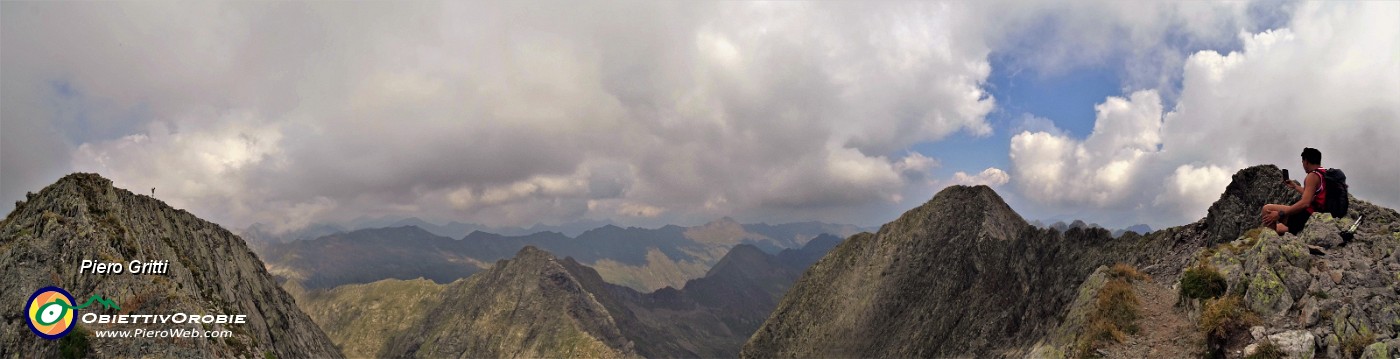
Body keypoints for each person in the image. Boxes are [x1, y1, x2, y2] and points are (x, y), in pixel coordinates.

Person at [1260, 148, 1328, 235]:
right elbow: (1312, 195)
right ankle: (1286, 233)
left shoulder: (1312, 176)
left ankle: (1270, 241)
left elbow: (1305, 203)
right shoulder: (1323, 173)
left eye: (1303, 162)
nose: (1303, 165)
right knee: (1280, 228)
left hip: (1308, 216)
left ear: (1306, 161)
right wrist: (1295, 186)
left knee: (1267, 209)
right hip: (1320, 212)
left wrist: (1280, 214)